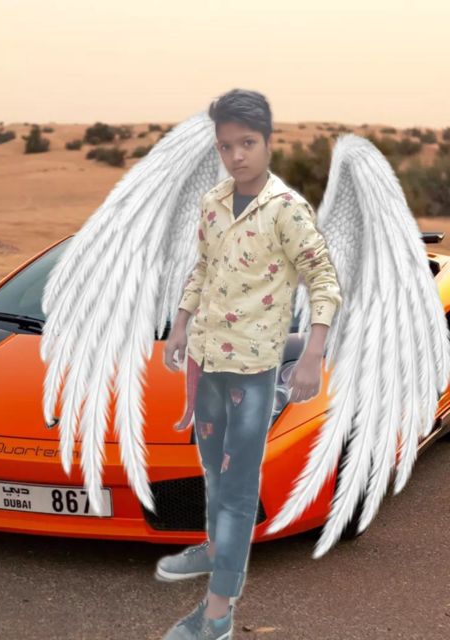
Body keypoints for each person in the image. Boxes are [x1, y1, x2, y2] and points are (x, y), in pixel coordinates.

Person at [158, 89, 342, 640]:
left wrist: (312, 356)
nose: (236, 156)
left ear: (267, 142)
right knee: (214, 475)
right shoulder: (213, 203)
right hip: (206, 361)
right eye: (226, 146)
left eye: (247, 143)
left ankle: (217, 615)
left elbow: (324, 280)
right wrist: (181, 323)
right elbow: (203, 268)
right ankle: (216, 548)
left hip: (253, 372)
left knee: (239, 489)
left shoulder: (287, 210)